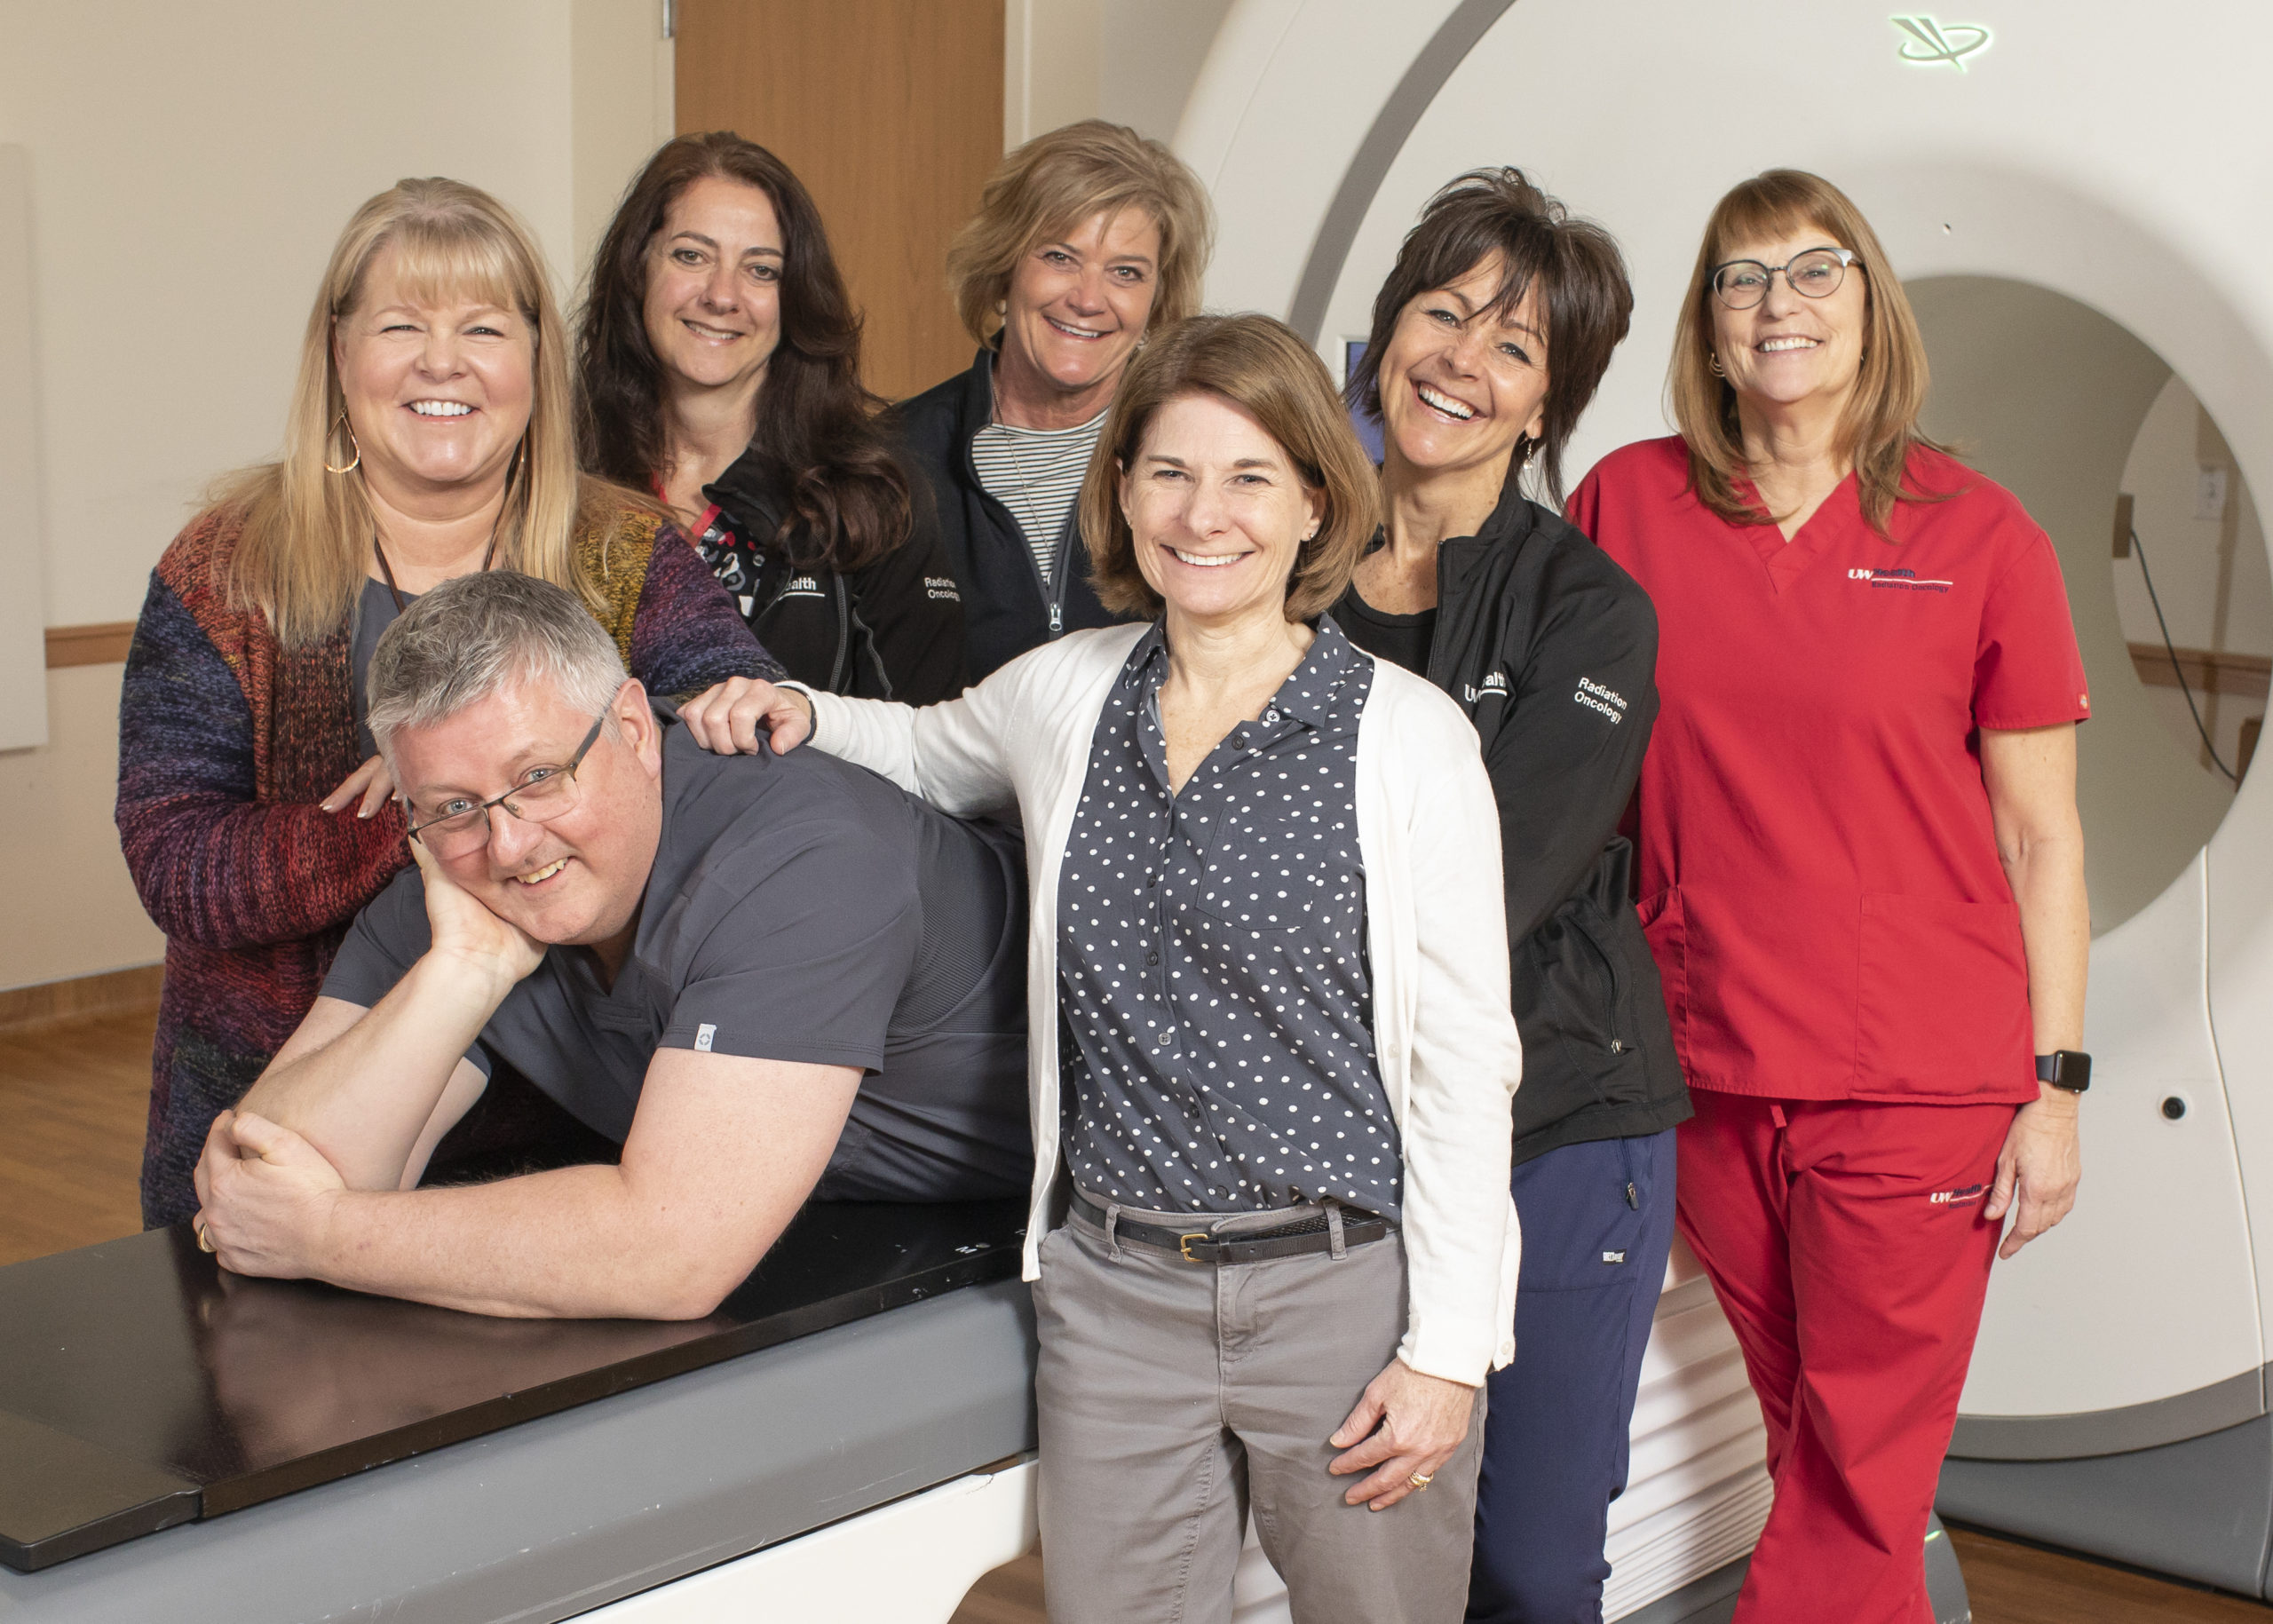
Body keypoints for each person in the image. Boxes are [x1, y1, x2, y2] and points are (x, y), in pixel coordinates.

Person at [682, 313, 1524, 1624]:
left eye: (1251, 477)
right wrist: (791, 708)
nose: (1205, 513)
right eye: (1169, 472)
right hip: (1118, 1300)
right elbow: (922, 749)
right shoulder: (1066, 692)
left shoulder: (1405, 740)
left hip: (1346, 1297)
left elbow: (1469, 1066)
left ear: (1315, 500)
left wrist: (1448, 1352)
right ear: (1121, 491)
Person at [1572, 169, 2088, 1624]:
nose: (1776, 303)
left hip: (1915, 1069)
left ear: (1871, 305)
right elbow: (1575, 774)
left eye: (1814, 271)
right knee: (1833, 1443)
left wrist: (2054, 1086)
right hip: (1708, 1058)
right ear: (1709, 322)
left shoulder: (1984, 536)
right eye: (1741, 277)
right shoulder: (1630, 503)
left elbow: (2044, 840)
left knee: (1857, 1458)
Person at [117, 178, 777, 1231]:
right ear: (340, 357)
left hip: (568, 1140)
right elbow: (180, 867)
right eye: (400, 327)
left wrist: (494, 789)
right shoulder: (225, 567)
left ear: (532, 365)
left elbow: (728, 736)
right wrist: (417, 817)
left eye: (482, 327)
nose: (443, 362)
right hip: (285, 1131)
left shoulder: (624, 548)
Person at [190, 571, 1028, 1315]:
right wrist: (462, 971)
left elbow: (671, 1254)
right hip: (833, 1221)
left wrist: (328, 1235)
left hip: (1086, 1214)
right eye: (450, 804)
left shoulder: (803, 853)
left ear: (632, 726)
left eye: (539, 778)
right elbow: (261, 1172)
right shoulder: (461, 872)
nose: (512, 846)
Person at [1335, 170, 1688, 1623]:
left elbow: (1506, 869)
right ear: (1382, 335)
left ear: (1547, 406)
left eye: (1514, 344)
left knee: (1531, 1569)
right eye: (1443, 313)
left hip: (1556, 1125)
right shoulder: (1277, 569)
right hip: (1340, 1135)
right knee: (1369, 1551)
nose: (1461, 362)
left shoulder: (1588, 607)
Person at [577, 132, 963, 703]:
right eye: (691, 255)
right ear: (637, 268)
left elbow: (925, 750)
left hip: (814, 793)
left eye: (761, 270)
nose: (722, 295)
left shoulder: (875, 496)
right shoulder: (561, 472)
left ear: (794, 297)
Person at [897, 118, 1213, 683]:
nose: (1088, 299)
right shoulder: (890, 459)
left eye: (1125, 272)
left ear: (1156, 301)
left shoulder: (1201, 462)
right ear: (1004, 269)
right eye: (1059, 257)